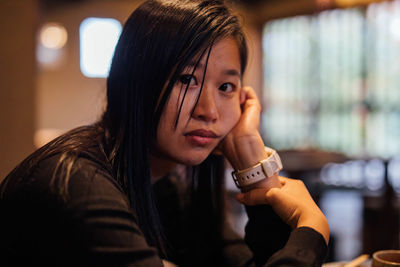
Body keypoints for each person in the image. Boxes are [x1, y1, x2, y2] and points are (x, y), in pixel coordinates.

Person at [0, 0, 329, 266]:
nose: (209, 111)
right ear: (135, 84)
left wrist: (253, 165)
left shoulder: (169, 187)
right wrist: (312, 231)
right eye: (186, 80)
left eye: (226, 86)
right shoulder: (77, 186)